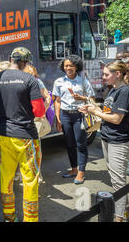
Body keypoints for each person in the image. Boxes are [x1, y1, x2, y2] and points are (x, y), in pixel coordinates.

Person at [0, 47, 45, 222]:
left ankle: (9, 218)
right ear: (25, 62)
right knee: (30, 180)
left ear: (11, 59)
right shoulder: (30, 80)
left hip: (4, 135)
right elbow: (39, 111)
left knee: (6, 178)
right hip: (27, 136)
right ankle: (30, 219)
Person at [79, 60, 129, 222]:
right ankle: (121, 209)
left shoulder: (125, 92)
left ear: (117, 74)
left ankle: (120, 216)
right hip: (108, 137)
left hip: (119, 140)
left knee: (118, 181)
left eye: (106, 74)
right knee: (114, 178)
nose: (103, 77)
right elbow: (106, 111)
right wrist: (91, 108)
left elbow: (116, 119)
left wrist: (96, 113)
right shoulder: (113, 90)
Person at [52, 54, 95, 184]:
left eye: (71, 65)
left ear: (76, 67)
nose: (68, 68)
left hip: (79, 115)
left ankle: (81, 172)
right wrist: (58, 118)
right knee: (69, 144)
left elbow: (91, 99)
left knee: (81, 144)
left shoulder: (83, 81)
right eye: (66, 66)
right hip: (65, 115)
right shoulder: (58, 82)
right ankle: (74, 169)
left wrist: (82, 99)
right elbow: (57, 101)